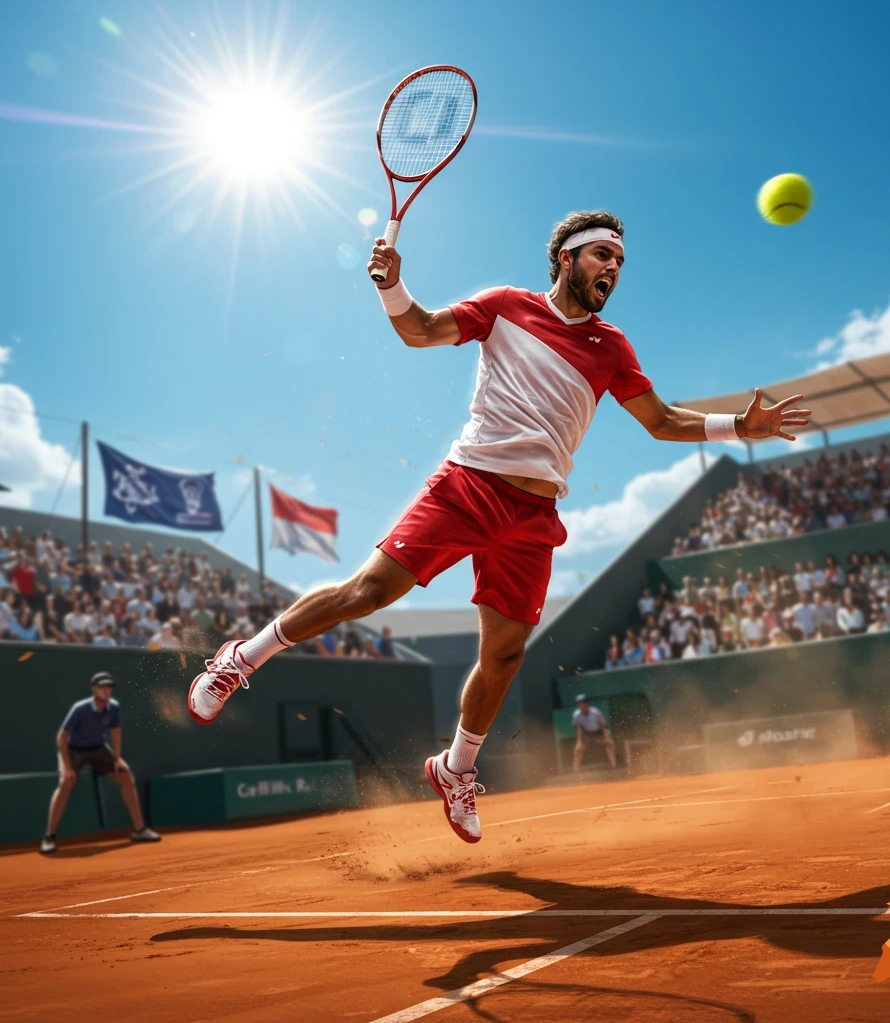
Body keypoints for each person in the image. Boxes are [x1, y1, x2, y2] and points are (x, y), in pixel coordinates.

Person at [187, 210, 811, 845]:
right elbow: (421, 332)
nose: (612, 270)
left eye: (619, 262)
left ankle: (456, 768)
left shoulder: (612, 347)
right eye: (601, 257)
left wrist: (739, 425)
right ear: (566, 259)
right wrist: (390, 286)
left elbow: (660, 420)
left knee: (504, 655)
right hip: (469, 485)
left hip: (534, 517)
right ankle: (242, 658)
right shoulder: (506, 305)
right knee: (367, 594)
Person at [41, 672, 160, 854]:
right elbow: (62, 736)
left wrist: (118, 758)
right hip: (74, 750)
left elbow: (115, 732)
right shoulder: (80, 709)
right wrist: (67, 767)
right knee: (66, 783)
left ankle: (139, 829)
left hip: (98, 748)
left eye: (109, 687)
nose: (106, 691)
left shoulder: (113, 707)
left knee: (126, 776)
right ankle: (49, 836)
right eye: (102, 687)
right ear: (94, 689)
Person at [571, 694, 616, 771]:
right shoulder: (576, 715)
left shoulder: (595, 712)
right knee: (578, 749)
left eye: (584, 702)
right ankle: (575, 772)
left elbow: (603, 726)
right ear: (578, 705)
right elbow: (579, 729)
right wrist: (579, 742)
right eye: (580, 703)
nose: (583, 704)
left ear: (587, 703)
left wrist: (607, 737)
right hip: (586, 734)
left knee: (609, 745)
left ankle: (614, 767)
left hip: (598, 733)